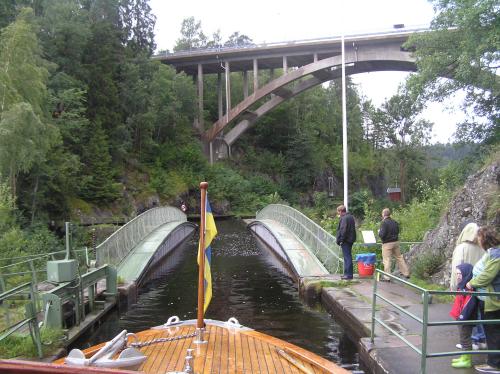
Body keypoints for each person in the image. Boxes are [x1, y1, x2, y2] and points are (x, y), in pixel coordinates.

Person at [466, 226, 500, 373]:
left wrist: (471, 283)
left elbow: (487, 276)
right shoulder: (492, 253)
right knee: (491, 330)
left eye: (479, 238)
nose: (477, 241)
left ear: (484, 239)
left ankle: (494, 364)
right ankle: (493, 362)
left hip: (491, 300)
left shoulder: (496, 254)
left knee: (493, 332)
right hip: (486, 298)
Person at [450, 222, 487, 350]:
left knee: (465, 312)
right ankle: (480, 339)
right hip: (479, 285)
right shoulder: (482, 248)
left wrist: (454, 286)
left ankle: (469, 341)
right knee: (478, 313)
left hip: (465, 286)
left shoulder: (462, 248)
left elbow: (457, 268)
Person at [449, 263, 477, 368]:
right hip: (460, 317)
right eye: (456, 274)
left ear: (466, 273)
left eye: (460, 273)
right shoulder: (462, 286)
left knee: (465, 338)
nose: (458, 276)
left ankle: (467, 360)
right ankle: (463, 357)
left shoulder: (468, 288)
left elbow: (468, 305)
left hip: (465, 318)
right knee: (462, 337)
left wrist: (462, 317)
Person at [378, 208, 410, 281]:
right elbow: (398, 231)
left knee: (387, 260)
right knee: (399, 258)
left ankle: (387, 277)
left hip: (387, 244)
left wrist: (379, 232)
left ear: (383, 214)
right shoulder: (394, 222)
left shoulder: (384, 223)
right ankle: (406, 273)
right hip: (396, 242)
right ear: (389, 214)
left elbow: (382, 235)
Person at [336, 205, 356, 280]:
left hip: (346, 240)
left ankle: (348, 275)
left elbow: (343, 230)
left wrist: (341, 240)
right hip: (350, 239)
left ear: (341, 211)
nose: (338, 214)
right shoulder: (351, 217)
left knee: (347, 257)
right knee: (348, 257)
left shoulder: (344, 218)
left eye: (338, 212)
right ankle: (347, 274)